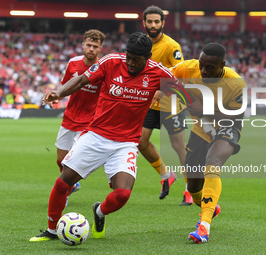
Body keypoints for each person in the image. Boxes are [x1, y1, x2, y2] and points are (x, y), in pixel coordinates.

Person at [29, 32, 184, 242]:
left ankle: (99, 212)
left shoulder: (159, 73)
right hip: (96, 136)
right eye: (128, 56)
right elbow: (82, 79)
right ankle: (52, 230)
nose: (129, 62)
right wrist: (59, 92)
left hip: (126, 143)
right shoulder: (111, 61)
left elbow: (182, 93)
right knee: (63, 182)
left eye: (136, 60)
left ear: (147, 58)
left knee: (122, 195)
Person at [170, 43, 246, 243]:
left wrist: (201, 109)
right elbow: (165, 77)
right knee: (194, 186)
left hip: (227, 127)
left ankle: (204, 227)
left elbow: (235, 117)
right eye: (201, 65)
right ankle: (210, 207)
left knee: (212, 163)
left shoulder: (235, 83)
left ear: (223, 64)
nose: (203, 70)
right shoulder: (187, 68)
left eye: (210, 67)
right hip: (200, 130)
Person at [140, 5, 193, 205]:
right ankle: (166, 175)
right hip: (150, 103)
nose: (153, 25)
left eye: (156, 22)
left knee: (178, 146)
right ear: (144, 23)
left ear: (163, 23)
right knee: (140, 142)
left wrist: (164, 87)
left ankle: (190, 188)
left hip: (172, 103)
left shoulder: (172, 46)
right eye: (149, 21)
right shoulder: (142, 44)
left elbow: (182, 74)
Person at [54, 29, 105, 205]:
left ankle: (66, 191)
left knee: (71, 161)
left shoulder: (103, 68)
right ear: (83, 45)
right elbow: (66, 86)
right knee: (60, 159)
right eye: (88, 45)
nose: (91, 49)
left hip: (88, 122)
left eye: (95, 46)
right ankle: (72, 184)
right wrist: (56, 96)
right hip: (69, 118)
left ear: (100, 49)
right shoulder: (73, 63)